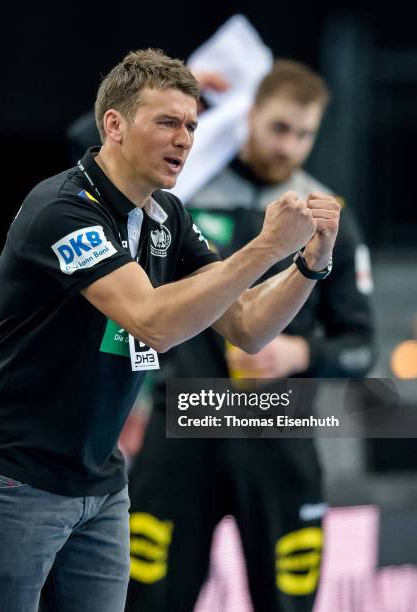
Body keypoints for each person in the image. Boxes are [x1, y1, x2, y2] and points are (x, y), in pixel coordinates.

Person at [0, 49, 340, 612]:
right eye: (167, 122)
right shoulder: (62, 208)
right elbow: (152, 321)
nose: (184, 139)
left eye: (191, 125)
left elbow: (249, 327)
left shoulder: (167, 216)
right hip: (14, 482)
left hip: (100, 484)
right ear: (114, 124)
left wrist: (308, 264)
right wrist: (266, 247)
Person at [125, 60, 375, 612]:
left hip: (279, 434)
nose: (289, 146)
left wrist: (300, 351)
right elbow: (88, 150)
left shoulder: (329, 213)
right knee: (148, 601)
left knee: (288, 603)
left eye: (305, 133)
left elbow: (361, 346)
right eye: (279, 128)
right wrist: (173, 92)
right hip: (182, 429)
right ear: (250, 115)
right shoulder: (181, 193)